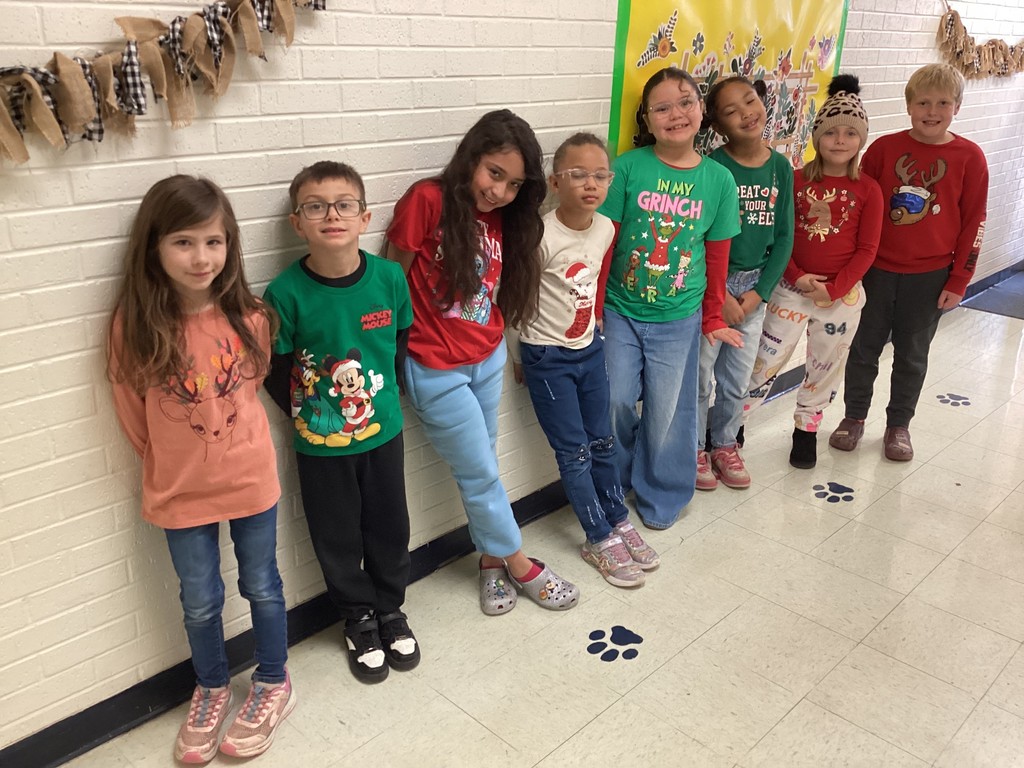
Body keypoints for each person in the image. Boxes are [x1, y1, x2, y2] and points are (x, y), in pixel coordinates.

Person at [107, 176, 293, 763]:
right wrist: (176, 462)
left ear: (230, 245)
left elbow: (251, 388)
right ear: (154, 247)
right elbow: (134, 418)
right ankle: (212, 687)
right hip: (179, 490)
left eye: (214, 242)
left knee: (261, 585)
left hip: (250, 480)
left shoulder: (251, 316)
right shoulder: (134, 326)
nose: (201, 257)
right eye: (184, 242)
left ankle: (272, 681)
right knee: (199, 599)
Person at [386, 110, 580, 615]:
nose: (500, 192)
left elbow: (495, 292)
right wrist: (387, 356)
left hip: (487, 355)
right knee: (479, 473)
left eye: (514, 184)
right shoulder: (427, 200)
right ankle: (520, 563)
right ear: (471, 158)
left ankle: (490, 562)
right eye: (494, 174)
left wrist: (506, 350)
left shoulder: (504, 220)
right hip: (433, 365)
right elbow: (389, 281)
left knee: (485, 465)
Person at [262, 161, 417, 684]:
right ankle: (358, 617)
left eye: (344, 204)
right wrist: (310, 419)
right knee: (336, 533)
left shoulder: (390, 278)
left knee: (389, 524)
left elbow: (398, 347)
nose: (332, 215)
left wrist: (383, 404)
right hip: (320, 444)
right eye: (315, 206)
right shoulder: (283, 293)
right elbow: (275, 370)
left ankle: (391, 609)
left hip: (383, 434)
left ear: (364, 215)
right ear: (296, 222)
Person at [505, 132, 660, 588]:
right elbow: (515, 300)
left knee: (604, 441)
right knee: (573, 453)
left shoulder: (607, 228)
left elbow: (594, 280)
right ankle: (596, 537)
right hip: (547, 357)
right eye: (577, 175)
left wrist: (595, 327)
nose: (590, 184)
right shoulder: (540, 235)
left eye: (600, 175)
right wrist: (519, 356)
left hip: (589, 349)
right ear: (555, 182)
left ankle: (617, 519)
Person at [596, 66, 743, 529]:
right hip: (620, 309)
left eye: (685, 103)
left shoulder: (719, 181)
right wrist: (595, 309)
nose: (675, 114)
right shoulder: (626, 167)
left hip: (678, 315)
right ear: (647, 117)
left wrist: (712, 316)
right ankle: (614, 481)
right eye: (662, 107)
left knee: (668, 409)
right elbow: (604, 242)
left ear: (702, 111)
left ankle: (662, 485)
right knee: (616, 399)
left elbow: (717, 256)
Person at [830, 63, 988, 461]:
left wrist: (959, 279)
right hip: (876, 271)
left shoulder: (970, 157)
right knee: (864, 349)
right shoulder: (883, 150)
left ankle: (899, 425)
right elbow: (858, 208)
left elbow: (975, 222)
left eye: (943, 103)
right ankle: (854, 417)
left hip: (930, 277)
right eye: (923, 102)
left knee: (912, 355)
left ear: (957, 106)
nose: (932, 111)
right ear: (908, 105)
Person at [742, 74, 883, 469]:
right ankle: (731, 427)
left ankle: (806, 430)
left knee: (825, 365)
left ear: (861, 140)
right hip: (790, 288)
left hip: (841, 297)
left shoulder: (868, 189)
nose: (840, 140)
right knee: (764, 361)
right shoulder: (795, 179)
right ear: (816, 136)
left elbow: (867, 248)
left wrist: (834, 289)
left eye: (850, 134)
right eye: (831, 132)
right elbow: (777, 235)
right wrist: (798, 276)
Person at [697, 76, 795, 490]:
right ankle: (694, 449)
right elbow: (699, 237)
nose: (745, 114)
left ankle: (724, 444)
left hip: (754, 290)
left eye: (749, 102)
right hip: (711, 288)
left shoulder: (780, 167)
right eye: (731, 111)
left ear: (763, 103)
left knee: (737, 378)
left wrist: (758, 294)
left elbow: (786, 236)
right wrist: (716, 296)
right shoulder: (714, 168)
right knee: (701, 377)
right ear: (718, 126)